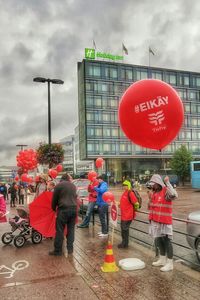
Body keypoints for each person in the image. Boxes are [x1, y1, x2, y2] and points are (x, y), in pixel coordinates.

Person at [147, 174, 178, 272]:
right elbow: (150, 207)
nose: (152, 186)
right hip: (156, 222)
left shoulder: (165, 191)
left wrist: (167, 183)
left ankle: (170, 263)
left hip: (165, 222)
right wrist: (150, 199)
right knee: (159, 241)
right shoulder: (154, 193)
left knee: (167, 241)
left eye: (154, 184)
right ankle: (162, 259)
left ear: (158, 183)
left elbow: (174, 195)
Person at [49, 173, 78, 256]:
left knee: (60, 230)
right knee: (71, 230)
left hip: (63, 210)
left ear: (61, 179)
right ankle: (70, 249)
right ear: (67, 178)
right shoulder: (73, 186)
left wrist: (53, 208)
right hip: (73, 209)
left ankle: (57, 251)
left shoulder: (58, 186)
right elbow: (75, 197)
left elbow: (54, 199)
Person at [118, 180, 139, 248]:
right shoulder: (125, 193)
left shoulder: (130, 193)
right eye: (123, 185)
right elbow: (123, 202)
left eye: (125, 185)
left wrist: (135, 209)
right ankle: (124, 242)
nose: (124, 187)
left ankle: (125, 244)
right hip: (124, 215)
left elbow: (136, 203)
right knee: (123, 229)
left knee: (125, 229)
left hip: (128, 215)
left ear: (128, 186)